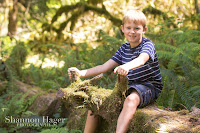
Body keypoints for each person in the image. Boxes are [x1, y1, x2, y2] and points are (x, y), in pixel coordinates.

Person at [68, 10, 163, 133]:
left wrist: (127, 66)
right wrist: (81, 73)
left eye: (137, 28)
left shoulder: (147, 45)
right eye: (128, 28)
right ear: (122, 29)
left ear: (144, 29)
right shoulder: (123, 48)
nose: (132, 31)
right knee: (95, 103)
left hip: (149, 86)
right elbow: (104, 66)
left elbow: (141, 59)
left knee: (131, 100)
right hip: (129, 88)